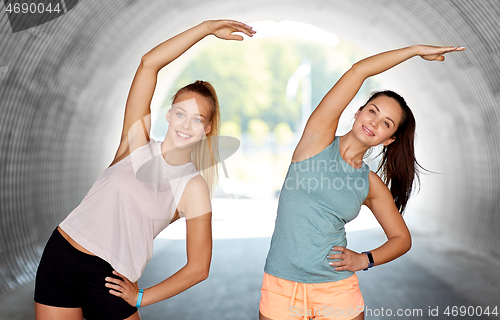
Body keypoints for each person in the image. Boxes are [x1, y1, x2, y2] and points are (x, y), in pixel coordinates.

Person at [34, 19, 256, 320]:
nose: (185, 124)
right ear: (168, 114)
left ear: (207, 128)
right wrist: (205, 29)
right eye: (181, 113)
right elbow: (148, 64)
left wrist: (142, 297)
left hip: (110, 278)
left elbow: (199, 267)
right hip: (60, 256)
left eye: (196, 119)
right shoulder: (135, 143)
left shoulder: (193, 187)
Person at [259, 44, 466, 320]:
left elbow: (401, 239)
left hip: (336, 290)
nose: (374, 122)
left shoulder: (369, 183)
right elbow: (359, 71)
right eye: (373, 111)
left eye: (386, 123)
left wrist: (364, 260)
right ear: (358, 112)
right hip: (281, 286)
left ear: (389, 139)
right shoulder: (316, 141)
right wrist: (415, 50)